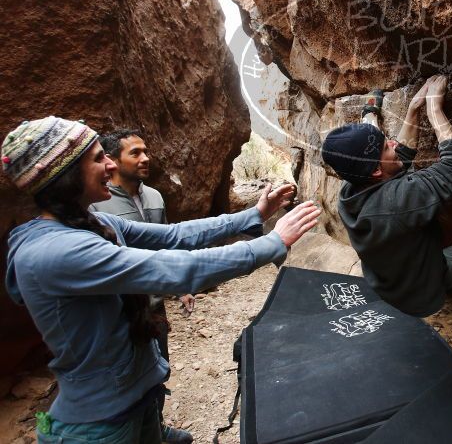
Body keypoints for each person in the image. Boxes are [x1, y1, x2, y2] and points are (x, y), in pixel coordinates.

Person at [2, 116, 320, 444]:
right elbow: (172, 268)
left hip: (134, 402)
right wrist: (271, 243)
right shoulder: (57, 250)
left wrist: (254, 214)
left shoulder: (91, 221)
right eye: (98, 158)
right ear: (64, 176)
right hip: (98, 426)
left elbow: (174, 235)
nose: (110, 165)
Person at [321, 74, 452, 317]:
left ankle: (371, 116)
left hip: (388, 284)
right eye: (385, 146)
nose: (393, 143)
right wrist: (434, 110)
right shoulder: (393, 204)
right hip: (421, 294)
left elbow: (399, 158)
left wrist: (413, 110)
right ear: (376, 170)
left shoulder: (350, 191)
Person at [88, 130, 193, 443]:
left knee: (158, 368)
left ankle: (155, 428)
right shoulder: (99, 206)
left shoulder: (155, 197)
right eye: (135, 153)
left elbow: (166, 246)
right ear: (113, 161)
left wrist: (181, 286)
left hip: (154, 304)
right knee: (124, 376)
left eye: (146, 151)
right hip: (120, 309)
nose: (145, 158)